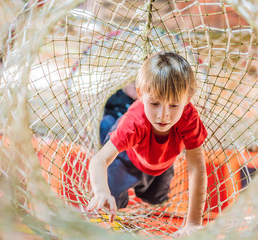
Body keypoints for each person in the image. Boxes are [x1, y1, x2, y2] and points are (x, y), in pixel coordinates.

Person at [87, 52, 208, 237]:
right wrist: (101, 191)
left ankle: (143, 185)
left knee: (154, 197)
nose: (163, 114)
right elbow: (99, 160)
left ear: (188, 99)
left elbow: (197, 167)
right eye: (154, 103)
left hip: (161, 161)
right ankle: (111, 129)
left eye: (174, 106)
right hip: (128, 157)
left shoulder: (189, 118)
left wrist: (193, 222)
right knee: (111, 201)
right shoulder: (135, 122)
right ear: (141, 95)